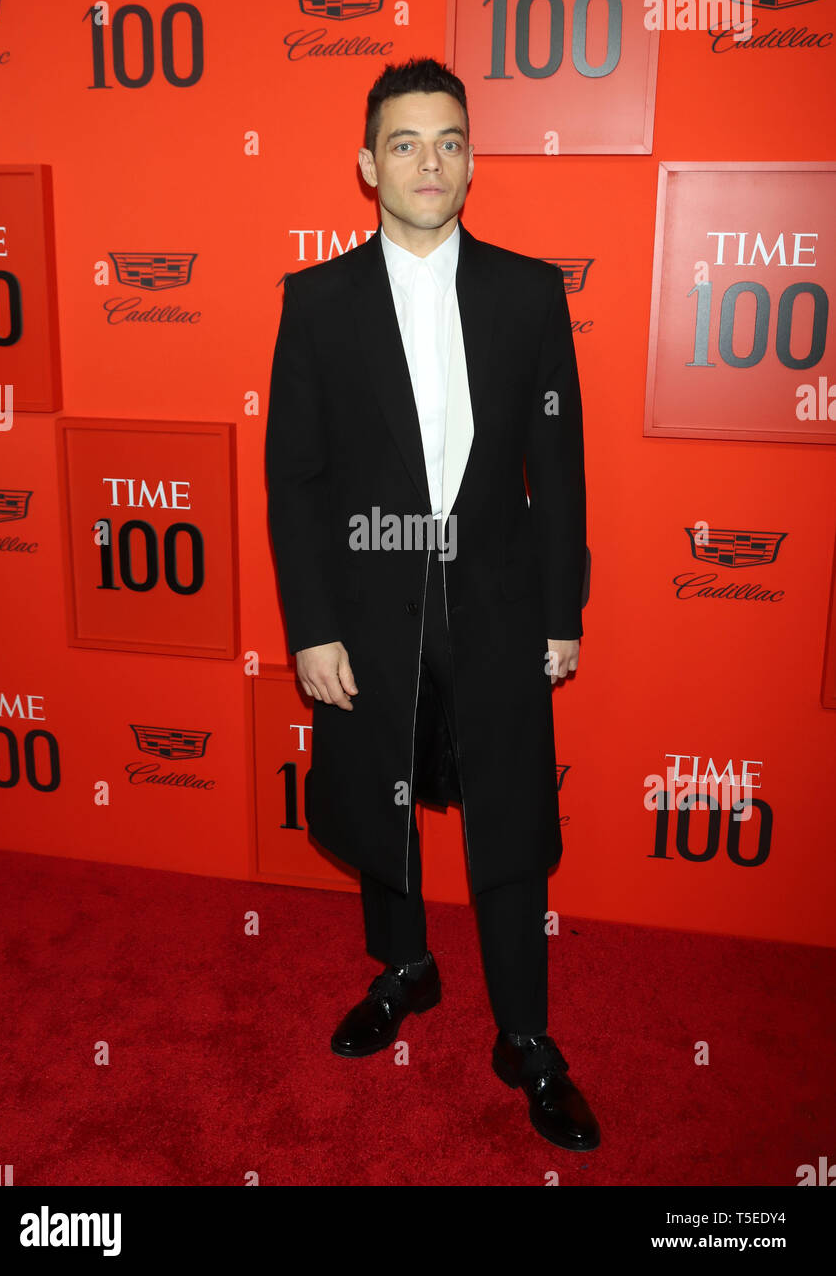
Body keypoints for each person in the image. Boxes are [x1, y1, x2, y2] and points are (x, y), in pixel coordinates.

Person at [265, 56, 599, 1150]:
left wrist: (562, 610)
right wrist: (310, 625)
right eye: (403, 142)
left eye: (448, 140)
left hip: (498, 603)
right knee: (381, 810)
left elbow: (556, 464)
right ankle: (403, 969)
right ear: (366, 165)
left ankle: (525, 1036)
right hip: (366, 604)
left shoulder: (525, 290)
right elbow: (296, 478)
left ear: (471, 160)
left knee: (508, 823)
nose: (427, 161)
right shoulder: (314, 303)